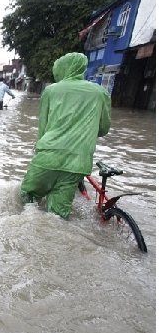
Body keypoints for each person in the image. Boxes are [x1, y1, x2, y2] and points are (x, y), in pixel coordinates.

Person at [20, 52, 111, 219]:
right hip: (78, 162)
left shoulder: (51, 91)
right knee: (58, 214)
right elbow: (104, 128)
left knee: (27, 197)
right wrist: (84, 131)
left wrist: (39, 149)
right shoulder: (100, 92)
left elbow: (43, 127)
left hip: (48, 156)